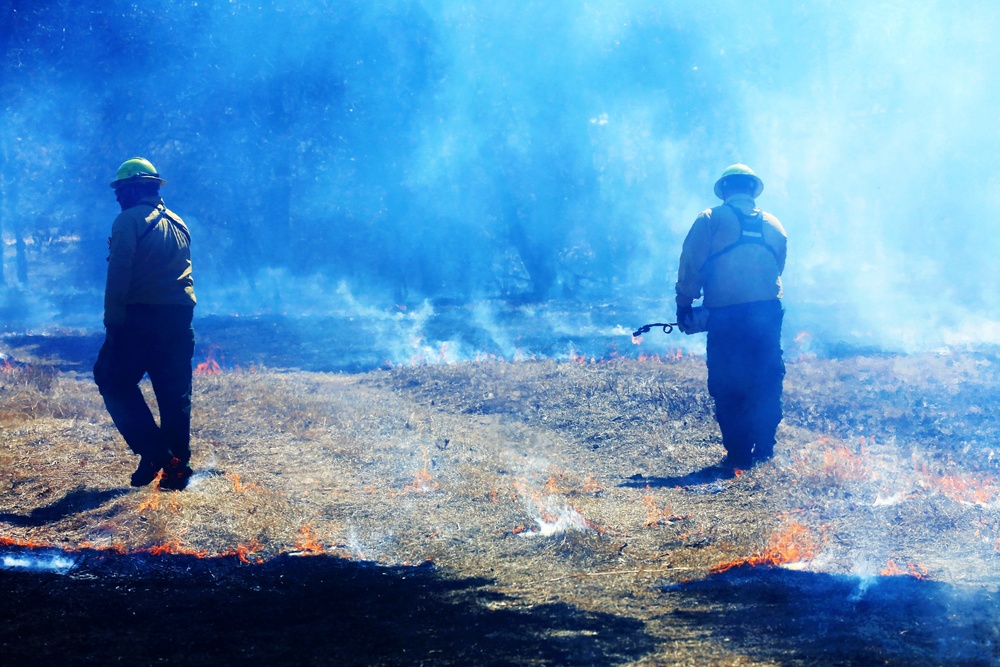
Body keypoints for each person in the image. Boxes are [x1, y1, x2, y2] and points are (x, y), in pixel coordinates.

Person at [675, 163, 787, 470]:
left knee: (728, 381)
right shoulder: (774, 224)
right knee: (766, 378)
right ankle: (764, 449)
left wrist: (684, 303)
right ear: (753, 189)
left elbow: (691, 265)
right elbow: (777, 268)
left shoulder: (710, 219)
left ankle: (738, 454)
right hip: (767, 313)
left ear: (725, 190)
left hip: (726, 317)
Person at [94, 157, 197, 490]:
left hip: (141, 317)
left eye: (121, 189)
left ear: (136, 188)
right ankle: (177, 468)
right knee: (174, 393)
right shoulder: (180, 223)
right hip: (180, 319)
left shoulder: (128, 221)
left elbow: (119, 273)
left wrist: (113, 321)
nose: (117, 197)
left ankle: (155, 453)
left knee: (110, 377)